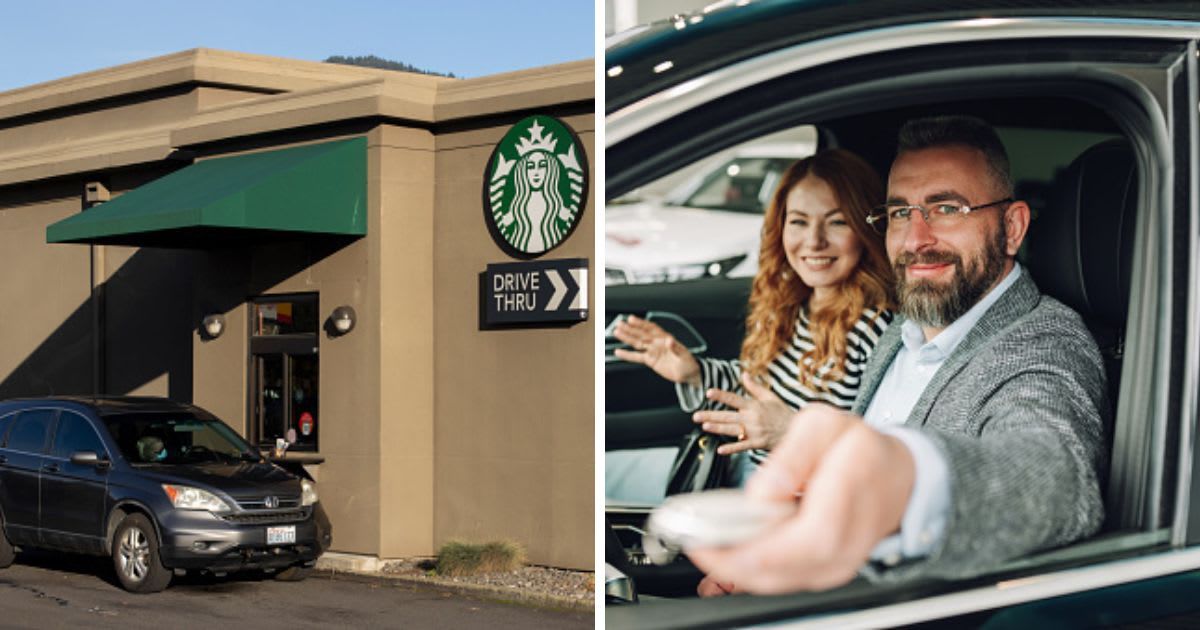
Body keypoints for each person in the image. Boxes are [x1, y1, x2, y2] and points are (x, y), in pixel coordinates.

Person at [686, 115, 1109, 594]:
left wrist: (905, 476)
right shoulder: (901, 333)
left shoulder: (1045, 343)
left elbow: (1054, 479)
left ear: (1012, 227)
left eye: (947, 208)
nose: (914, 240)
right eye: (900, 212)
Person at [613, 149, 894, 485]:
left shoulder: (875, 327)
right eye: (799, 222)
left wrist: (790, 431)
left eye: (837, 222)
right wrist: (694, 373)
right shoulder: (791, 302)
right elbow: (755, 396)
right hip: (742, 470)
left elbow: (872, 454)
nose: (814, 241)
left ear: (864, 230)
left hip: (791, 500)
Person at [511, 147, 566, 254]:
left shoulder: (556, 203)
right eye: (530, 167)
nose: (536, 172)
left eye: (542, 166)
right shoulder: (517, 205)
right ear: (523, 172)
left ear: (550, 170)